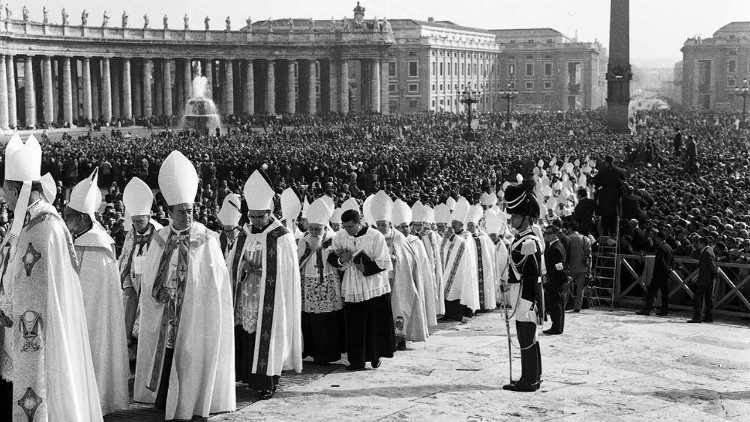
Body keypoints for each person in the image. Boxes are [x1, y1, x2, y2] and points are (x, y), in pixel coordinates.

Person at [1, 134, 103, 421]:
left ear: (16, 188)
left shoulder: (45, 226)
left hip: (34, 327)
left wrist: (7, 305)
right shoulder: (25, 221)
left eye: (5, 190)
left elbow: (33, 288)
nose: (3, 197)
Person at [134, 151, 235, 419]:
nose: (187, 216)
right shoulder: (160, 238)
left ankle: (193, 400)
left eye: (190, 211)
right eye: (181, 212)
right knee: (167, 355)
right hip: (168, 311)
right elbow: (149, 276)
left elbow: (216, 281)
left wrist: (193, 292)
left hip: (195, 312)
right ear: (168, 213)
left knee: (191, 354)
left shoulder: (206, 238)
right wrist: (160, 291)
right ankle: (163, 399)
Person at [65, 169, 130, 415]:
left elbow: (93, 292)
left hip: (91, 317)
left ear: (82, 217)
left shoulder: (97, 245)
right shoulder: (79, 237)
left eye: (70, 215)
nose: (66, 219)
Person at [233, 170, 302, 399]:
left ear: (270, 213)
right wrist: (242, 267)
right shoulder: (244, 233)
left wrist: (263, 270)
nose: (254, 221)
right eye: (251, 217)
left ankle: (267, 382)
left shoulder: (281, 236)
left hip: (271, 297)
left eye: (259, 217)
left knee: (267, 338)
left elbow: (286, 271)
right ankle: (247, 377)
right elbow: (233, 261)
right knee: (247, 334)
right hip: (247, 295)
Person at [328, 209, 395, 370]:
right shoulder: (340, 236)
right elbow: (331, 254)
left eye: (350, 226)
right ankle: (356, 360)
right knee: (354, 324)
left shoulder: (375, 236)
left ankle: (375, 356)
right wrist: (340, 259)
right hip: (352, 285)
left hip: (373, 285)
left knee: (374, 323)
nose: (346, 229)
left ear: (359, 223)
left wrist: (364, 267)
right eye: (344, 226)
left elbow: (384, 261)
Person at [372, 192, 429, 350]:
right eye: (379, 225)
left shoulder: (398, 238)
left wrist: (395, 259)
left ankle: (400, 339)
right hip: (378, 280)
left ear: (390, 223)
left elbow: (407, 259)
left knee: (399, 307)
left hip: (398, 280)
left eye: (384, 224)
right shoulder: (373, 237)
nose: (382, 228)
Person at [503, 180, 545, 392]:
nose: (512, 220)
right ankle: (532, 376)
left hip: (525, 296)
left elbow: (531, 275)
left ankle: (529, 380)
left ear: (526, 218)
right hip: (519, 294)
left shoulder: (529, 242)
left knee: (527, 338)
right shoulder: (522, 239)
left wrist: (527, 303)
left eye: (516, 217)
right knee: (529, 337)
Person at [119, 177, 163, 363]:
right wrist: (126, 283)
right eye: (134, 221)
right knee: (128, 321)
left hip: (151, 287)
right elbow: (125, 259)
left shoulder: (160, 234)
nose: (137, 225)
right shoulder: (131, 234)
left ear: (148, 216)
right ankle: (132, 358)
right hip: (134, 287)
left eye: (140, 221)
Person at [298, 198, 345, 365]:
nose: (314, 232)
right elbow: (298, 261)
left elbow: (338, 260)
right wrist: (310, 249)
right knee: (311, 318)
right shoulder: (304, 240)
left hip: (328, 281)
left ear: (325, 227)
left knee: (328, 318)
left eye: (318, 229)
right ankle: (312, 351)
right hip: (309, 282)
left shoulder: (334, 239)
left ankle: (329, 353)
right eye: (311, 228)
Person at [395, 200, 438, 328]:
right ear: (397, 228)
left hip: (415, 278)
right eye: (402, 227)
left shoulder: (416, 241)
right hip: (401, 279)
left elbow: (424, 262)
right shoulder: (395, 242)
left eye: (407, 226)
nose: (405, 229)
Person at [441, 198, 480, 321]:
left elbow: (463, 246)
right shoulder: (455, 235)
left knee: (460, 290)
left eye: (455, 223)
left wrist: (452, 237)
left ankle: (461, 314)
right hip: (451, 268)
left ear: (462, 224)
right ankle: (449, 313)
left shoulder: (466, 235)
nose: (452, 225)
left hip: (463, 270)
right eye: (452, 222)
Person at [466, 204, 498, 312]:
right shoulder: (466, 237)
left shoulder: (483, 237)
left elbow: (490, 252)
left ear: (476, 226)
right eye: (468, 225)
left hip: (483, 267)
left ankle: (484, 305)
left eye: (472, 225)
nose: (470, 227)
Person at [636, 230, 674, 317]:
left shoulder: (661, 248)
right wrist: (671, 269)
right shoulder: (669, 247)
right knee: (665, 293)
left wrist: (667, 269)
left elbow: (661, 261)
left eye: (656, 238)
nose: (655, 240)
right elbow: (672, 260)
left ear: (659, 238)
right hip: (665, 274)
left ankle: (647, 309)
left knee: (651, 291)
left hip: (659, 274)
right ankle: (664, 310)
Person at [542, 225, 569, 335]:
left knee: (556, 305)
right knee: (558, 304)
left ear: (555, 234)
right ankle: (557, 326)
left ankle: (556, 327)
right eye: (546, 233)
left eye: (548, 233)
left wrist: (563, 278)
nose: (546, 235)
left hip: (555, 281)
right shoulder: (557, 245)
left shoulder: (555, 248)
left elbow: (559, 266)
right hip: (555, 280)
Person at [591, 156, 626, 237]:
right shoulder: (621, 171)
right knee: (615, 218)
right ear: (613, 161)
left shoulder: (602, 171)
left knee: (605, 219)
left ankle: (605, 237)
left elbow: (596, 182)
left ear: (605, 161)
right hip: (616, 200)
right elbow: (623, 183)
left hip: (605, 199)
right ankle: (613, 236)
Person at [688, 237, 716, 323]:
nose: (698, 245)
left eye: (699, 243)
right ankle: (708, 317)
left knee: (697, 297)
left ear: (703, 243)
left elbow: (710, 265)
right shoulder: (710, 250)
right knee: (708, 298)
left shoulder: (705, 252)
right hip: (709, 278)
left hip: (704, 279)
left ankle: (697, 317)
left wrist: (716, 271)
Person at [566, 221, 592, 313]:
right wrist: (589, 269)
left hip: (570, 268)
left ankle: (562, 305)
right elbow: (589, 255)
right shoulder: (586, 239)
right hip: (583, 267)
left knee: (565, 288)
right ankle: (577, 307)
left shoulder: (567, 238)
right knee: (580, 289)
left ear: (570, 228)